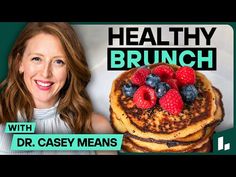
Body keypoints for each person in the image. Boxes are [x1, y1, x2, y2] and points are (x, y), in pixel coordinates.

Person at [0, 22, 116, 155]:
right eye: (37, 59)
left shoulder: (98, 128)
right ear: (20, 62)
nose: (45, 73)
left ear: (70, 69)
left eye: (58, 61)